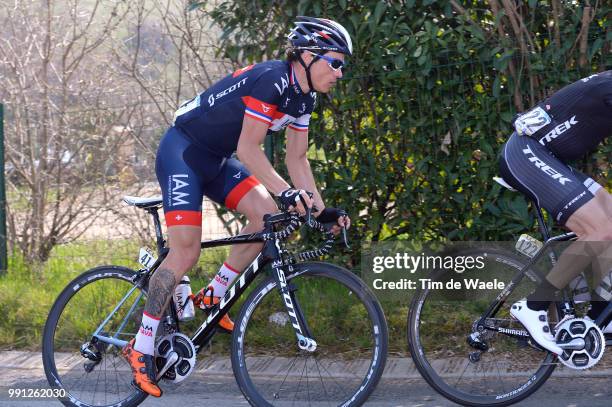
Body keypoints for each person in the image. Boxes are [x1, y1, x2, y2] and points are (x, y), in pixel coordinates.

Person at [122, 16, 353, 396]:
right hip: (183, 151)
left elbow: (298, 160)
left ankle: (213, 296)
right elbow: (249, 149)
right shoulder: (273, 79)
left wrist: (319, 210)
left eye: (343, 65)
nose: (340, 72)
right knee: (185, 253)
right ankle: (141, 347)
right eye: (336, 61)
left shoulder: (305, 96)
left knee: (267, 220)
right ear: (308, 57)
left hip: (215, 159)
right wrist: (287, 194)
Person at [498, 71, 612, 355]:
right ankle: (534, 306)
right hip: (525, 152)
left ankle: (601, 316)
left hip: (549, 157)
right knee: (599, 230)